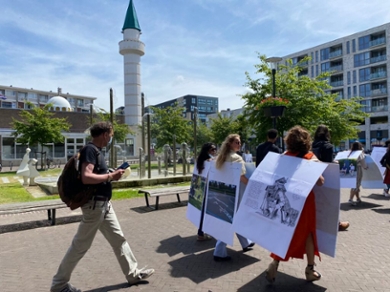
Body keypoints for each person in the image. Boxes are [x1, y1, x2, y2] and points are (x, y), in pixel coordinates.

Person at [51, 122, 154, 292]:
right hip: (95, 207)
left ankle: (133, 274)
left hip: (104, 205)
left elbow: (96, 175)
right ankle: (59, 285)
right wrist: (110, 176)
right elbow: (86, 177)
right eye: (111, 135)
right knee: (80, 246)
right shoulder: (90, 150)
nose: (111, 139)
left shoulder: (96, 152)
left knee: (118, 239)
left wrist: (110, 173)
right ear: (105, 134)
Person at [265, 126, 325, 283]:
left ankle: (274, 263)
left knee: (283, 230)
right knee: (309, 233)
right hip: (304, 201)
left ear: (289, 141)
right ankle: (310, 270)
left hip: (285, 199)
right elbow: (319, 182)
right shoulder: (309, 158)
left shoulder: (283, 156)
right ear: (306, 141)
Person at [213, 134, 254, 261]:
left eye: (239, 142)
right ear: (230, 143)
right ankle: (219, 251)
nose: (239, 144)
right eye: (236, 142)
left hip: (225, 191)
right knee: (233, 219)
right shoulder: (236, 158)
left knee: (235, 218)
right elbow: (242, 177)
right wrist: (252, 185)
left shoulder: (221, 157)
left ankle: (245, 242)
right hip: (236, 192)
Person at [312, 125, 350, 231]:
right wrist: (335, 162)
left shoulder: (312, 145)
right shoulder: (328, 146)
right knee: (331, 199)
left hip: (313, 175)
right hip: (326, 176)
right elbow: (327, 163)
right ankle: (336, 223)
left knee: (316, 200)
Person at [196, 142, 217, 241]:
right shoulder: (210, 161)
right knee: (207, 212)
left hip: (202, 189)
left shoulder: (200, 160)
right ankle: (202, 232)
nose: (214, 151)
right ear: (207, 151)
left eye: (215, 149)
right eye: (212, 149)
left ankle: (201, 232)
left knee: (204, 212)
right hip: (209, 189)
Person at [348, 141, 368, 206]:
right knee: (356, 184)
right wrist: (366, 167)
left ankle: (358, 198)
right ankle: (350, 199)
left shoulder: (350, 153)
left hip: (351, 169)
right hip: (358, 169)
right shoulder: (360, 153)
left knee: (355, 184)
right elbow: (363, 162)